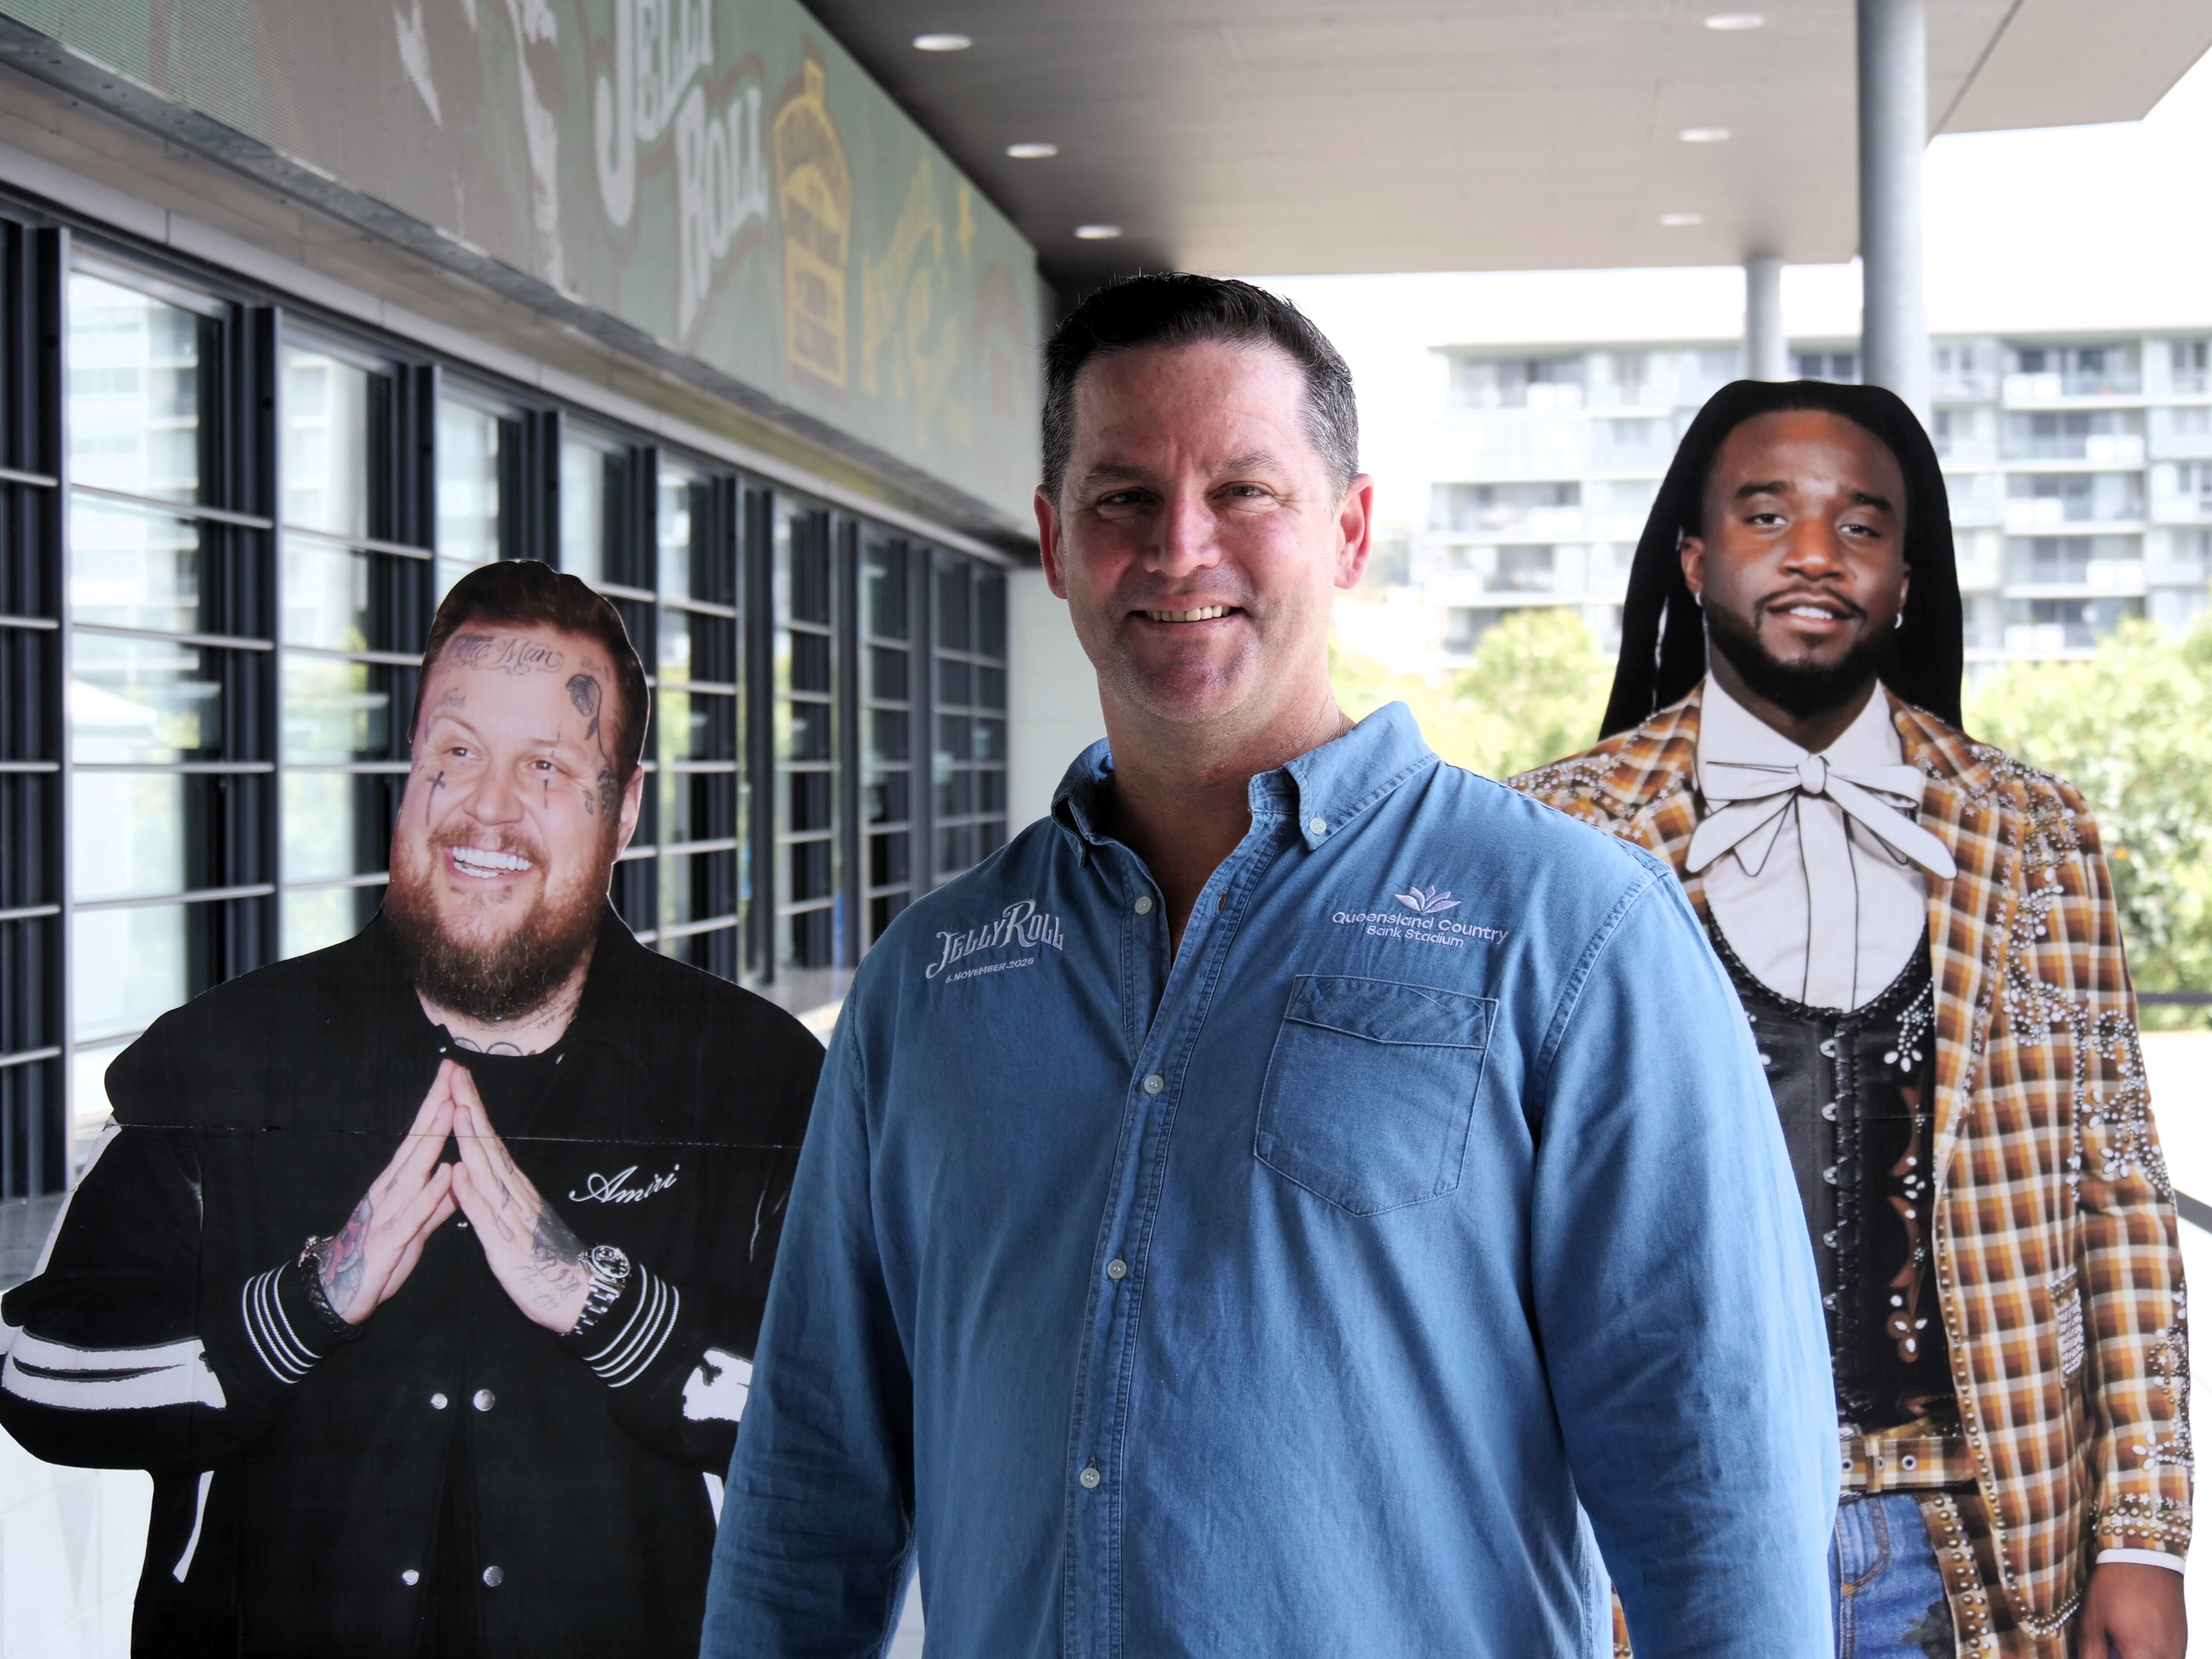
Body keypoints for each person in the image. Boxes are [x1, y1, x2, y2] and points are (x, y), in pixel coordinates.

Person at [701, 274, 1836, 1659]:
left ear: (1349, 529)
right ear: (1055, 542)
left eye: (1246, 490)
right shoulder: (928, 979)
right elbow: (809, 1487)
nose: (1182, 548)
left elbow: (1720, 1496)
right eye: (1123, 498)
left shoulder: (1574, 934)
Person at [0, 561, 822, 1657]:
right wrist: (297, 1310)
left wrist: (610, 1310)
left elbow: (851, 1417)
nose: (488, 807)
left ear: (624, 807)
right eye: (457, 752)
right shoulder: (226, 1057)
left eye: (545, 767)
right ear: (409, 769)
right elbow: (39, 1371)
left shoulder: (755, 1081)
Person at [1513, 379, 2190, 1659]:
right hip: (1661, 1535)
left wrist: (2144, 1536)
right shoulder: (1557, 834)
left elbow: (2122, 1192)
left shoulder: (2033, 831)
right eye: (1768, 516)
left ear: (1906, 578)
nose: (1816, 552)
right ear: (1697, 558)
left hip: (1978, 1539)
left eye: (1861, 526)